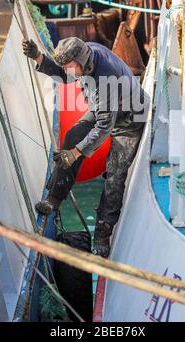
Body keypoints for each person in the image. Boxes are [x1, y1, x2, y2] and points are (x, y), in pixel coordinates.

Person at [22, 37, 148, 256]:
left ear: (80, 60)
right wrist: (38, 57)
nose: (67, 71)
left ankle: (102, 234)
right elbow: (66, 77)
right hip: (105, 108)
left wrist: (75, 154)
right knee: (72, 135)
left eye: (70, 66)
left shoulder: (104, 78)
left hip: (129, 119)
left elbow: (103, 128)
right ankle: (54, 198)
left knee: (115, 175)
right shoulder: (87, 55)